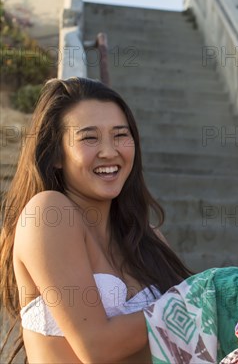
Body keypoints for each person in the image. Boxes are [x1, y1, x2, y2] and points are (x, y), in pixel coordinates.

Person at [0, 77, 192, 363]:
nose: (109, 151)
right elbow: (95, 347)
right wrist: (199, 297)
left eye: (120, 135)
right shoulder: (48, 213)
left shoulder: (147, 238)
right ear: (56, 155)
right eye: (89, 137)